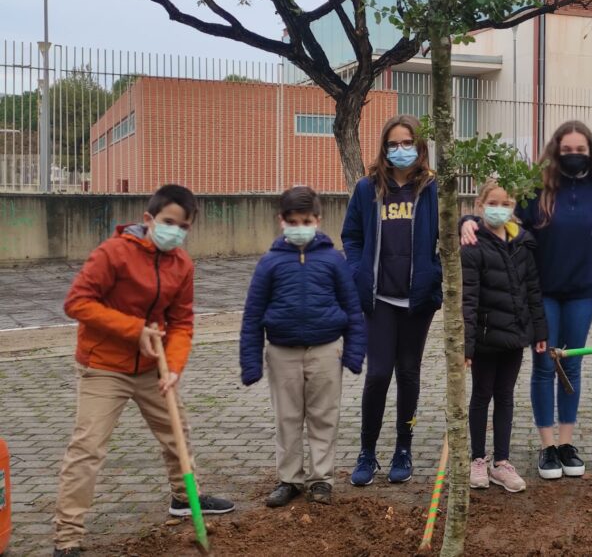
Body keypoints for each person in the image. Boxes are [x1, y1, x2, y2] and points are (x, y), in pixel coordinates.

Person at [53, 185, 234, 557]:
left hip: (154, 368)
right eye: (168, 222)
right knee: (87, 448)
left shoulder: (182, 265)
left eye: (182, 227)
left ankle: (185, 500)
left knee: (176, 433)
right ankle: (67, 538)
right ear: (149, 220)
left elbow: (182, 323)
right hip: (104, 366)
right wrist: (134, 330)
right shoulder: (113, 254)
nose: (175, 232)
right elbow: (77, 303)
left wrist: (175, 368)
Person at [461, 120, 592, 480]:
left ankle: (566, 444)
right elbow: (502, 218)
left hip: (582, 294)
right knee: (545, 366)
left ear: (591, 153)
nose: (574, 156)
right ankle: (546, 447)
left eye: (581, 150)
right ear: (555, 152)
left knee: (571, 366)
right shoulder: (535, 191)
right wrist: (466, 218)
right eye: (567, 150)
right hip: (543, 292)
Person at [239, 186, 367, 507]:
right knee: (287, 417)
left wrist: (353, 353)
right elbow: (253, 314)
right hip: (282, 352)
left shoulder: (333, 260)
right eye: (293, 221)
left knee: (324, 416)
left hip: (326, 350)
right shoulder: (269, 263)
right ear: (281, 221)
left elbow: (352, 307)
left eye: (306, 220)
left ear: (318, 220)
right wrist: (251, 362)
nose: (300, 227)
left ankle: (321, 479)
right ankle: (289, 479)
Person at [342, 115, 443, 486]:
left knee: (409, 373)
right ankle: (367, 451)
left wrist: (435, 276)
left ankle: (404, 447)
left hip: (417, 301)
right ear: (384, 148)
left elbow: (447, 237)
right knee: (379, 374)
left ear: (420, 147)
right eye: (393, 144)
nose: (400, 150)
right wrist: (357, 272)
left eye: (407, 143)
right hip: (379, 299)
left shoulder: (433, 189)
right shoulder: (368, 188)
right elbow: (351, 235)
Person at [462, 181, 548, 493]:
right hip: (485, 339)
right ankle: (477, 459)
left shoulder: (523, 243)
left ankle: (502, 462)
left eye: (505, 203)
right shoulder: (472, 245)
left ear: (513, 208)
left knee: (506, 396)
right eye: (492, 202)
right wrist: (467, 345)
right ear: (480, 206)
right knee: (481, 395)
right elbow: (468, 299)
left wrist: (539, 330)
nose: (499, 208)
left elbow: (533, 291)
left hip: (514, 335)